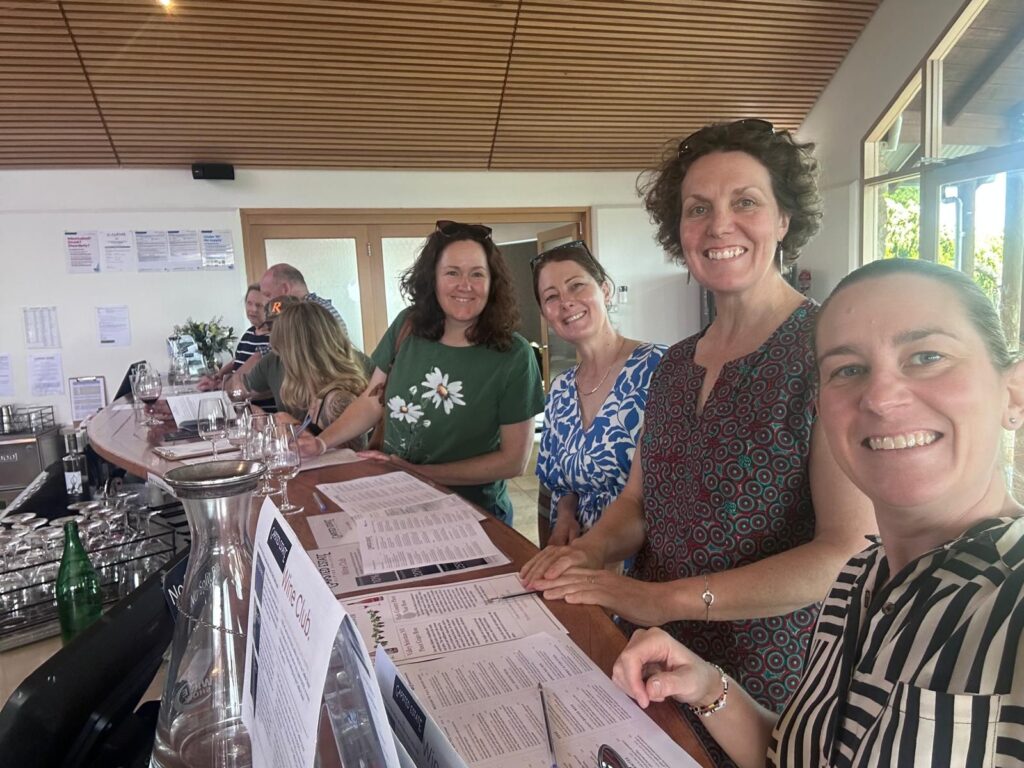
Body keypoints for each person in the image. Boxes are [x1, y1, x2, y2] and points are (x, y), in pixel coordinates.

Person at [519, 119, 874, 760]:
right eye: (698, 209)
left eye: (745, 202)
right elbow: (637, 503)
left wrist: (665, 598)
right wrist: (590, 553)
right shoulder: (676, 364)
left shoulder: (829, 353)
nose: (719, 226)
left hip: (763, 679)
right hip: (650, 652)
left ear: (785, 218)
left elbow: (845, 554)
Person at [612, 258, 1024, 767]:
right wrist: (707, 686)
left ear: (1014, 393)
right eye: (848, 369)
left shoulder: (1011, 596)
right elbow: (802, 755)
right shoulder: (858, 579)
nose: (881, 396)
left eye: (927, 356)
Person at [298, 220, 544, 525]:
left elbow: (513, 461)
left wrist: (422, 474)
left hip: (472, 514)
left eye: (477, 274)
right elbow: (372, 401)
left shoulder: (513, 355)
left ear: (493, 283)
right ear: (433, 279)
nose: (464, 285)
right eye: (452, 272)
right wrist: (323, 443)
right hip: (394, 499)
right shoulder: (407, 327)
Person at [532, 241, 666, 546]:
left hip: (642, 558)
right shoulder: (561, 389)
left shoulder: (659, 367)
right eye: (551, 297)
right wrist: (564, 516)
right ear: (545, 313)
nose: (566, 302)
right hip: (575, 557)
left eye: (577, 286)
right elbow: (558, 483)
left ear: (605, 290)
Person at [269, 300, 367, 448]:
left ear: (297, 354)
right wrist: (298, 428)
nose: (282, 360)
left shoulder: (336, 400)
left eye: (283, 352)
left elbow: (353, 461)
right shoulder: (317, 393)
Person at [197, 284, 276, 411]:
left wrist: (221, 386)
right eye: (249, 303)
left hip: (263, 411)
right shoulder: (249, 333)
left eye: (259, 305)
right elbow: (238, 360)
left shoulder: (275, 338)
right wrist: (218, 376)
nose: (253, 309)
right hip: (240, 406)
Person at [259, 262, 349, 336]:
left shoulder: (307, 314)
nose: (267, 302)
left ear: (285, 289)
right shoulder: (320, 307)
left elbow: (289, 351)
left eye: (268, 295)